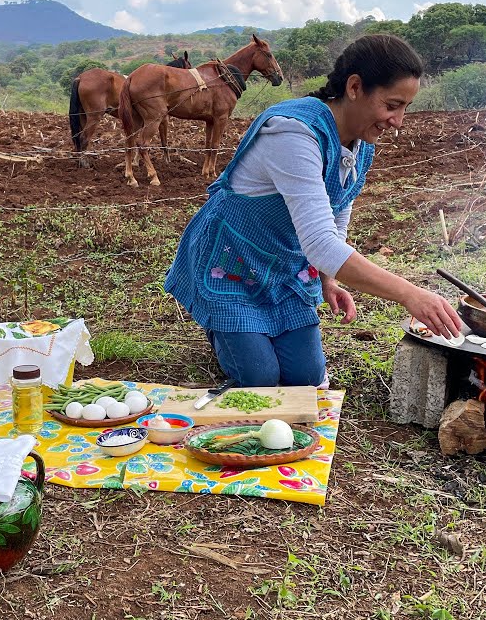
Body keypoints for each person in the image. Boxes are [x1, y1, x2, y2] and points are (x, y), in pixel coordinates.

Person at [165, 34, 464, 388]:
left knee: (306, 379)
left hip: (283, 268)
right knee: (261, 379)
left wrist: (328, 278)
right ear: (355, 87)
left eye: (405, 108)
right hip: (230, 266)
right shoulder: (293, 133)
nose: (397, 120)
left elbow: (337, 214)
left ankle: (250, 336)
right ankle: (225, 329)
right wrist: (410, 294)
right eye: (392, 105)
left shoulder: (361, 142)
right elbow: (321, 244)